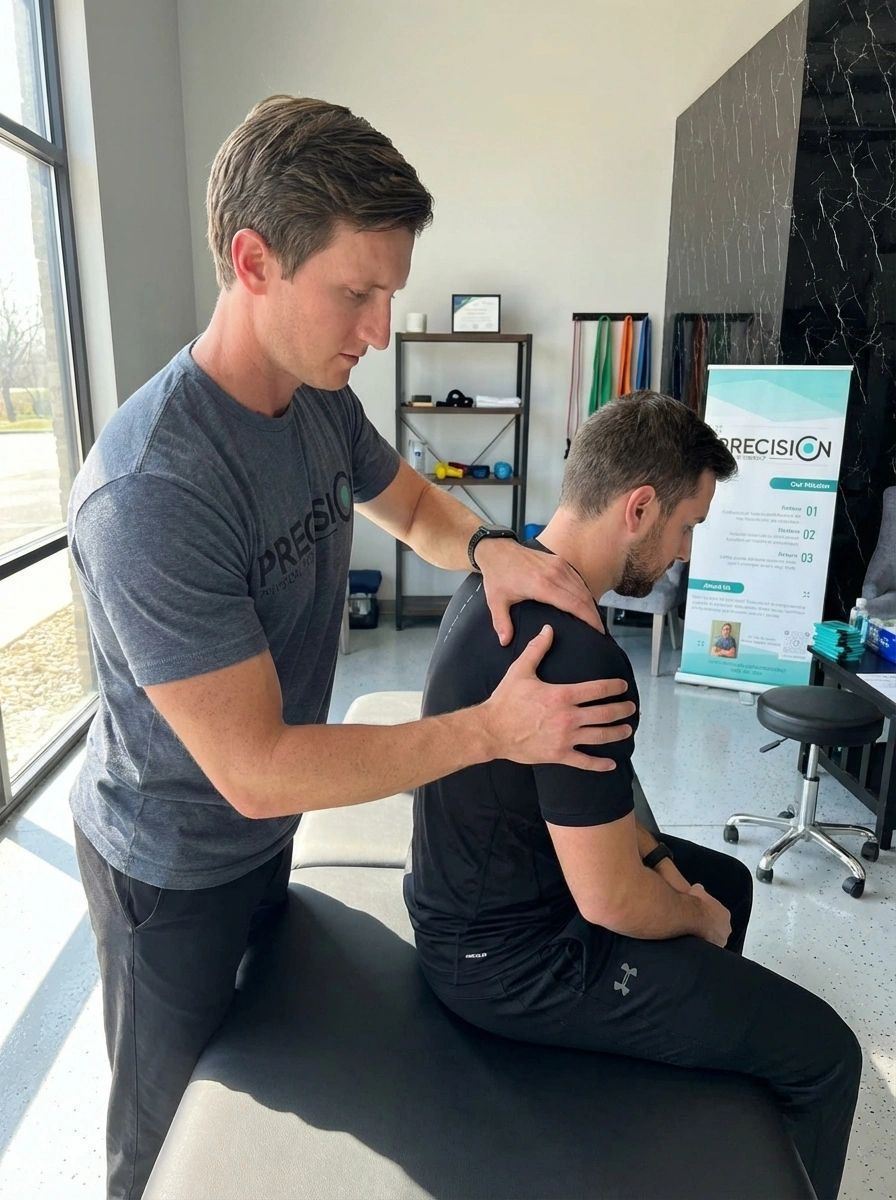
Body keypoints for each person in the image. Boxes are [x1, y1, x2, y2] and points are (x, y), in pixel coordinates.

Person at [67, 95, 635, 1200]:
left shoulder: (315, 396)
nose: (377, 331)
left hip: (260, 837)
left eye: (390, 296)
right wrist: (490, 732)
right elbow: (258, 768)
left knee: (259, 1071)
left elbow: (411, 504)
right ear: (254, 262)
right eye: (355, 293)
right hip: (167, 867)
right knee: (157, 1140)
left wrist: (491, 549)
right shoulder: (155, 488)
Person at [405, 392, 862, 1200]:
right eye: (686, 527)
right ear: (639, 508)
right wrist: (690, 917)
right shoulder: (579, 654)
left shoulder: (497, 579)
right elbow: (608, 899)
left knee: (724, 879)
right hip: (511, 964)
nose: (685, 552)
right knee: (828, 1055)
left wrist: (667, 870)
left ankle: (698, 1103)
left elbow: (597, 799)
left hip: (472, 907)